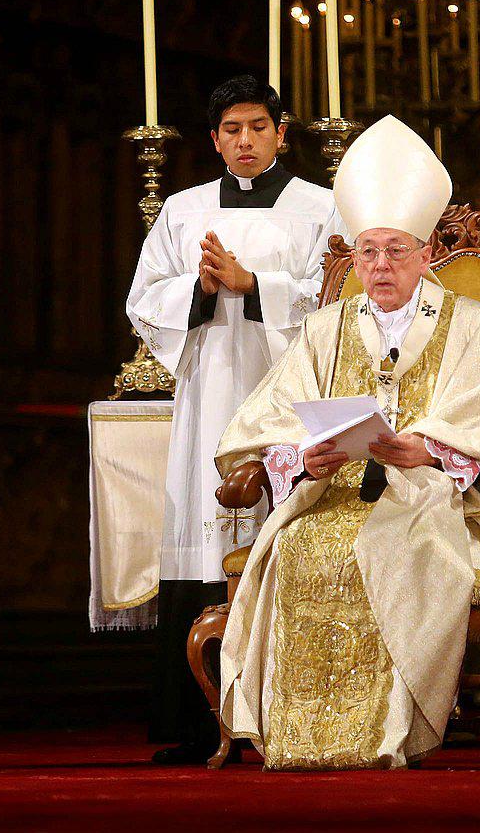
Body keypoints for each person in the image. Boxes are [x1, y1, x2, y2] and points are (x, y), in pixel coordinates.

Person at [212, 115, 480, 770]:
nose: (378, 266)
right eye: (367, 251)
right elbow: (267, 421)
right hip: (331, 493)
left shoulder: (475, 327)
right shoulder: (322, 329)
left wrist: (433, 451)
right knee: (298, 544)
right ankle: (303, 734)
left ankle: (391, 734)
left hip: (432, 500)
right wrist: (298, 458)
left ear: (425, 254)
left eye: (395, 251)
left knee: (398, 551)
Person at [122, 74, 344, 763]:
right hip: (211, 395)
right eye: (229, 130)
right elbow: (143, 300)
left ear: (282, 131)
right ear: (214, 139)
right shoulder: (184, 211)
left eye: (257, 127)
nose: (243, 141)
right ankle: (197, 724)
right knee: (202, 544)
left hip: (288, 401)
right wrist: (199, 286)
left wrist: (256, 288)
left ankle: (289, 720)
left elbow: (336, 298)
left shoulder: (324, 208)